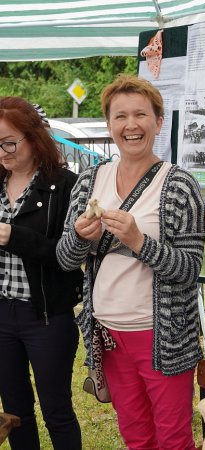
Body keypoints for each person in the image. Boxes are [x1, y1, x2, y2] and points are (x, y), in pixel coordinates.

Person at [56, 74, 205, 450]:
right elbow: (64, 259)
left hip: (163, 336)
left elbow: (189, 270)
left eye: (141, 114)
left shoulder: (179, 185)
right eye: (120, 116)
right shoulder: (90, 180)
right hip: (107, 335)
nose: (131, 125)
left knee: (173, 438)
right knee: (136, 435)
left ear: (158, 121)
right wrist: (79, 236)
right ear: (109, 125)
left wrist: (139, 241)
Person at [0, 97, 83, 450]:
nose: (2, 152)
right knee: (15, 411)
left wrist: (13, 236)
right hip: (2, 314)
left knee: (56, 410)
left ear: (35, 138)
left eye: (8, 142)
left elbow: (69, 257)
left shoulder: (65, 185)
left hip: (47, 315)